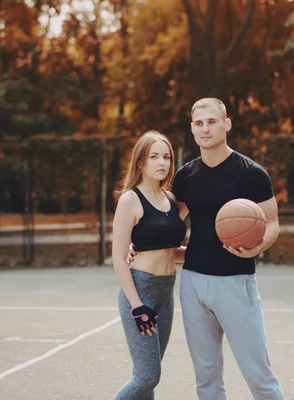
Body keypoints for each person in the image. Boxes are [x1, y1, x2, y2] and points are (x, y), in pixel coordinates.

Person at [172, 98, 284, 399]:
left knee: (259, 377)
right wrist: (140, 245)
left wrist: (258, 247)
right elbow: (169, 223)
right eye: (199, 123)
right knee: (206, 380)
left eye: (211, 121)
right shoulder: (185, 176)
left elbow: (272, 223)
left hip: (236, 281)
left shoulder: (251, 173)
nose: (205, 129)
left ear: (226, 124)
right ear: (193, 129)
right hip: (193, 283)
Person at [111, 131, 187, 400]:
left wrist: (206, 254)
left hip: (166, 292)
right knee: (146, 377)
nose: (162, 162)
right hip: (140, 292)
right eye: (154, 157)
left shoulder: (172, 200)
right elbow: (119, 258)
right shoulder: (130, 200)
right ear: (140, 163)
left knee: (149, 375)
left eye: (166, 157)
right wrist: (137, 306)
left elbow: (169, 250)